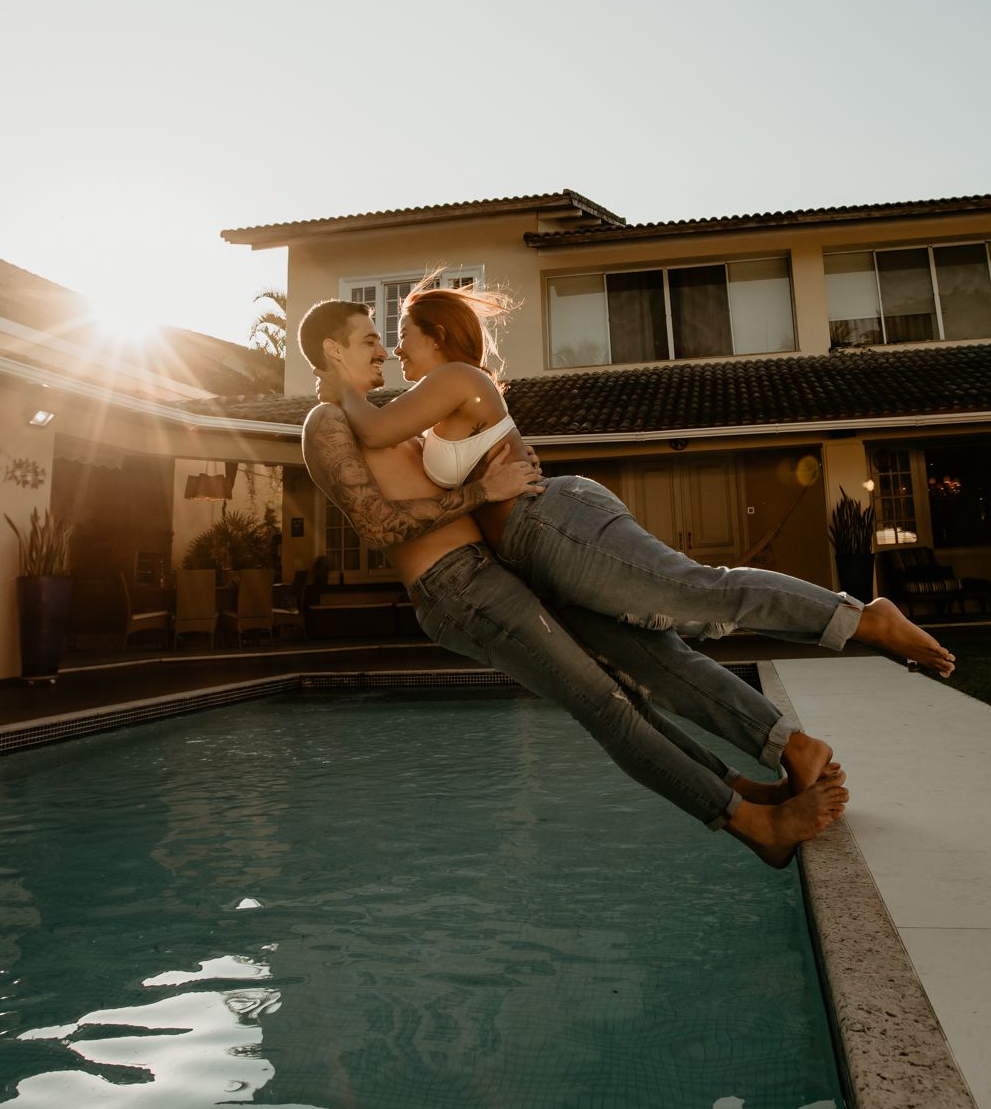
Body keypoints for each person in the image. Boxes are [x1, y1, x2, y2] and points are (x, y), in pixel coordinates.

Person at [300, 353, 850, 869]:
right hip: (454, 586)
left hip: (489, 572)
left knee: (629, 683)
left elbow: (450, 469)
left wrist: (505, 462)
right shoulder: (325, 422)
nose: (383, 353)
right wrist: (481, 492)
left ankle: (742, 793)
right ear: (332, 347)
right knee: (606, 706)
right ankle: (753, 824)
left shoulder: (384, 421)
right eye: (368, 339)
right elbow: (376, 526)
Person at [308, 280, 956, 679]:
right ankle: (785, 733)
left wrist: (335, 383)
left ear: (436, 336)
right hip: (532, 545)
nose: (395, 351)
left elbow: (368, 430)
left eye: (402, 336)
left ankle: (860, 615)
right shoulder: (436, 402)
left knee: (694, 595)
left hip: (553, 523)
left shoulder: (454, 378)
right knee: (666, 626)